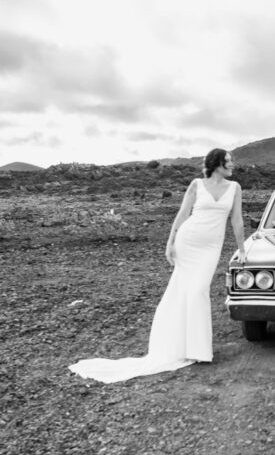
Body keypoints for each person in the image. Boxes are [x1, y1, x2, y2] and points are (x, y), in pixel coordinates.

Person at [69, 148, 246, 383]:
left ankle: (197, 348)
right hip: (188, 241)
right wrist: (170, 242)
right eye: (228, 161)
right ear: (217, 164)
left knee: (198, 291)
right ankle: (191, 350)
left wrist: (243, 250)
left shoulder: (235, 188)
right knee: (183, 291)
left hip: (210, 249)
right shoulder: (196, 184)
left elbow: (237, 220)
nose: (232, 165)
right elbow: (182, 215)